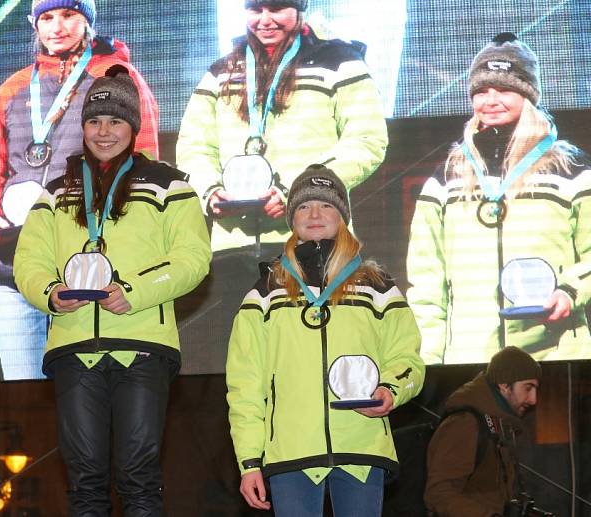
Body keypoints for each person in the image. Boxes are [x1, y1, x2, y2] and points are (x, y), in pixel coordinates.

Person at [13, 66, 211, 515]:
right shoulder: (54, 191)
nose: (104, 132)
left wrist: (134, 291)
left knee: (139, 480)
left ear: (134, 127)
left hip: (142, 346)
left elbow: (193, 259)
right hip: (74, 345)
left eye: (115, 121)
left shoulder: (168, 183)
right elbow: (28, 261)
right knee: (84, 484)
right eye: (94, 121)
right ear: (82, 127)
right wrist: (50, 292)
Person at [175, 0, 388, 371]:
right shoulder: (221, 71)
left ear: (300, 8)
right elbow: (193, 146)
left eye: (277, 8)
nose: (265, 20)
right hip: (232, 247)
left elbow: (367, 141)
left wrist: (298, 194)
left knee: (312, 361)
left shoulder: (340, 60)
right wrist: (210, 191)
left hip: (313, 241)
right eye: (256, 9)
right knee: (244, 367)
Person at [0, 0, 160, 380]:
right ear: (34, 25)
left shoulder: (115, 76)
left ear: (87, 20)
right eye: (47, 17)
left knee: (81, 390)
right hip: (18, 264)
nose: (57, 26)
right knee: (22, 389)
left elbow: (144, 159)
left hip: (88, 259)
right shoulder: (15, 87)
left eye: (69, 15)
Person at [226, 165, 424, 517]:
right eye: (303, 206)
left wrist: (392, 390)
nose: (314, 214)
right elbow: (246, 385)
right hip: (290, 454)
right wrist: (249, 461)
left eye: (326, 205)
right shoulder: (265, 293)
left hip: (361, 447)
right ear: (291, 218)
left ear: (343, 217)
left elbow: (407, 359)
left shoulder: (377, 287)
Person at [406, 32, 591, 365]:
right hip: (471, 360)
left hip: (556, 355)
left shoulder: (571, 168)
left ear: (529, 95)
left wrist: (571, 290)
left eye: (504, 89)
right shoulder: (446, 176)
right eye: (481, 90)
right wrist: (430, 363)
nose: (490, 100)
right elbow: (426, 283)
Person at [425, 346, 542, 516]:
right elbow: (439, 494)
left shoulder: (499, 424)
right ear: (504, 385)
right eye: (528, 388)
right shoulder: (465, 423)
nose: (533, 399)